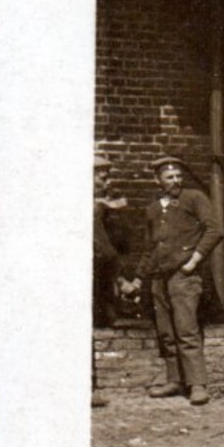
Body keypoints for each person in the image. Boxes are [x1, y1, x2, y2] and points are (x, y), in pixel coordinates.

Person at [141, 154, 223, 406]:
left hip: (184, 276)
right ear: (158, 180)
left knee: (187, 329)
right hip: (160, 276)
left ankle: (197, 385)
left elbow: (214, 230)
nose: (175, 181)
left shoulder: (194, 198)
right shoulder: (154, 207)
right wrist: (139, 276)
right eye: (169, 177)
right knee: (166, 331)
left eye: (178, 176)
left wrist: (194, 261)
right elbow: (149, 245)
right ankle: (175, 380)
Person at [92, 154, 127, 407]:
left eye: (105, 174)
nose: (104, 180)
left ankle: (91, 386)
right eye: (99, 174)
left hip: (102, 273)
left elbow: (115, 245)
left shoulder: (105, 205)